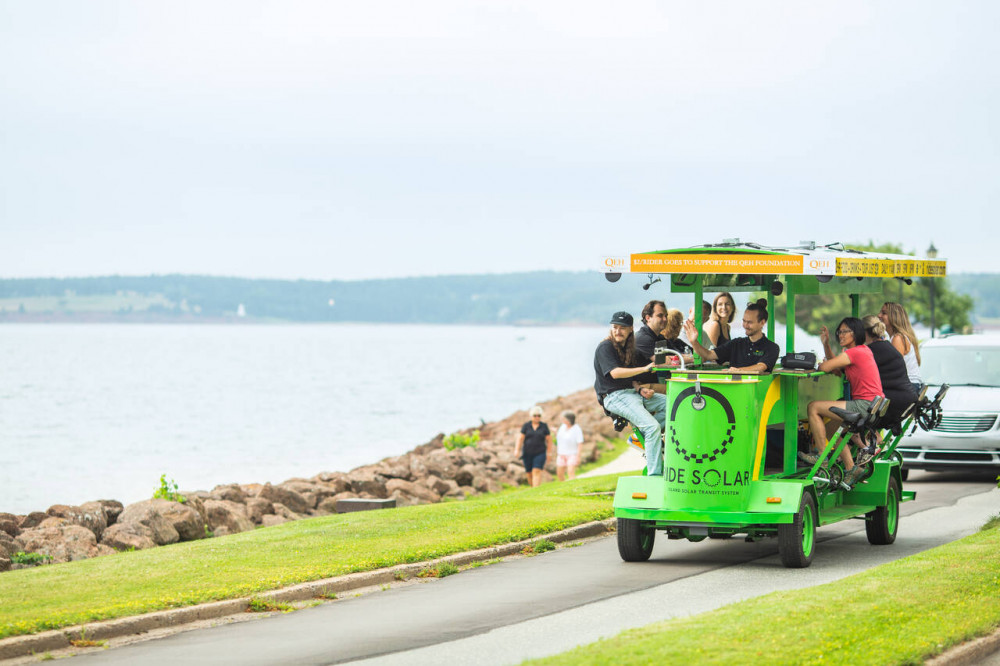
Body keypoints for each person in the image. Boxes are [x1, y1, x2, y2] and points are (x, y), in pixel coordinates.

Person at [801, 317, 884, 487]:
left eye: (845, 331)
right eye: (839, 332)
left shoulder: (854, 353)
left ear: (856, 333)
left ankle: (821, 456)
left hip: (863, 405)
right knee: (832, 428)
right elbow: (837, 368)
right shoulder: (863, 351)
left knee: (813, 407)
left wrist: (824, 363)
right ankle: (851, 468)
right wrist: (826, 344)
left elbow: (826, 367)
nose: (841, 335)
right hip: (872, 406)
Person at [593, 311, 667, 476]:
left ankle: (645, 435)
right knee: (652, 427)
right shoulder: (605, 347)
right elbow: (615, 373)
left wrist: (639, 388)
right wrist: (644, 369)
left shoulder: (628, 348)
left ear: (630, 329)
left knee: (673, 406)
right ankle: (654, 476)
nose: (618, 331)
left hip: (631, 394)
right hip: (614, 397)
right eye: (615, 327)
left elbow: (630, 379)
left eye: (622, 328)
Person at [682, 299, 780, 372]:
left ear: (762, 322)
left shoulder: (772, 347)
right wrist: (694, 342)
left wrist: (738, 371)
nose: (745, 325)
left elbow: (761, 367)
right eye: (744, 321)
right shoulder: (736, 343)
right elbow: (708, 354)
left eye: (749, 322)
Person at [863, 315, 918, 426]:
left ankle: (864, 441)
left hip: (892, 403)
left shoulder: (870, 351)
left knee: (844, 412)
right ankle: (869, 439)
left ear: (864, 332)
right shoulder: (888, 346)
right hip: (907, 399)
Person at [879, 302, 922, 393]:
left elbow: (894, 368)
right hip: (911, 385)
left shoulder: (898, 338)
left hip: (908, 386)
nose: (879, 315)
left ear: (894, 316)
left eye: (884, 313)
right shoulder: (896, 337)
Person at [514, 406, 552, 487]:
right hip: (527, 453)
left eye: (539, 415)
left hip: (540, 452)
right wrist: (517, 450)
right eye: (535, 415)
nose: (537, 417)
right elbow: (520, 438)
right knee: (529, 473)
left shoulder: (544, 426)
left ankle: (536, 489)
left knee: (536, 470)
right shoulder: (526, 426)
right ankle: (532, 488)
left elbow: (549, 440)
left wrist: (549, 453)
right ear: (531, 416)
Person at [555, 410, 584, 481]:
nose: (562, 420)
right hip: (561, 454)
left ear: (569, 420)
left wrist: (578, 456)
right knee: (559, 473)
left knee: (570, 472)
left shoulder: (577, 429)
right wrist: (555, 432)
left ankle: (573, 487)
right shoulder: (562, 427)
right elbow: (560, 438)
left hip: (572, 454)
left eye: (563, 419)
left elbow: (580, 443)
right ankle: (563, 488)